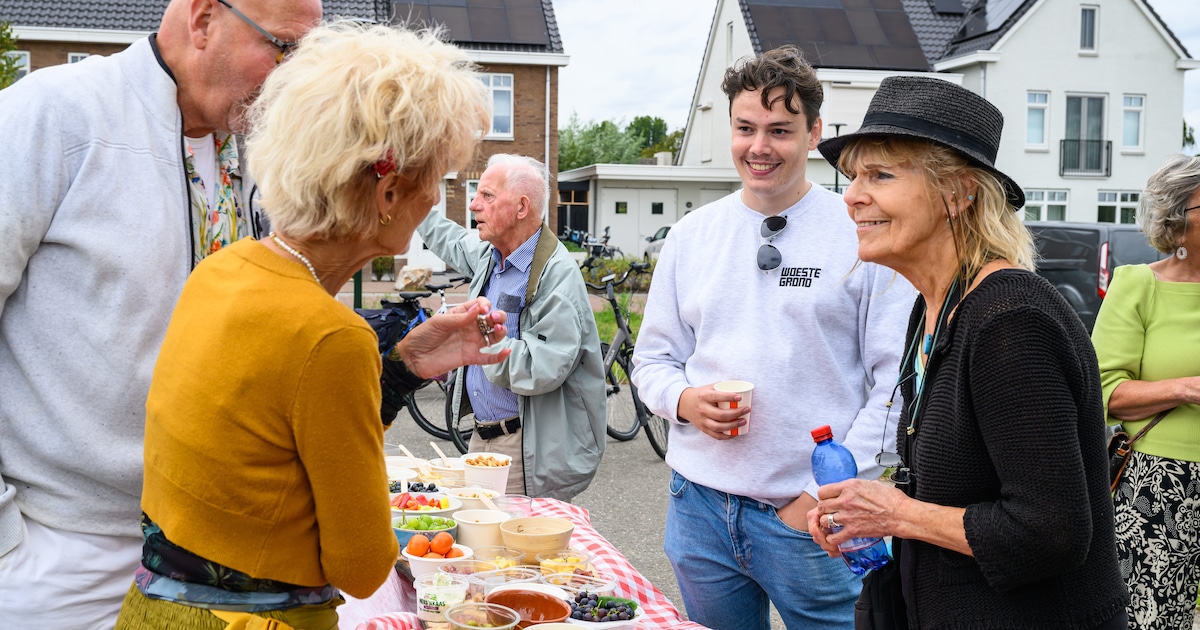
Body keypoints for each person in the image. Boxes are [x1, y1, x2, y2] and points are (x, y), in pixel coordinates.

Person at [114, 20, 498, 629]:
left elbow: (266, 451)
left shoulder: (223, 269)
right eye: (440, 181)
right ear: (390, 192)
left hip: (152, 612)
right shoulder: (330, 336)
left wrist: (397, 371)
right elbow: (362, 565)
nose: (439, 201)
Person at [0, 0, 321, 626]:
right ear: (202, 20)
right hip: (59, 552)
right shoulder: (52, 115)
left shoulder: (256, 154)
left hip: (202, 554)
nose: (294, 77)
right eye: (282, 48)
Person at [807, 75, 1128, 629]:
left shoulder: (1011, 322)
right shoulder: (933, 307)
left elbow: (1051, 533)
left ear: (958, 193)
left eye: (880, 175)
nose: (853, 196)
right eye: (853, 177)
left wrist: (900, 515)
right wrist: (871, 507)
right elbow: (962, 477)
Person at [629, 46, 914, 629]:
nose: (759, 147)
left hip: (814, 518)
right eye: (745, 128)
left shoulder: (861, 233)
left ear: (813, 135)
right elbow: (653, 359)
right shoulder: (691, 236)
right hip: (699, 507)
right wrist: (683, 402)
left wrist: (817, 496)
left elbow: (895, 386)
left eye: (780, 130)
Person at [417, 154, 606, 500]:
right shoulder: (493, 254)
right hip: (483, 438)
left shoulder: (556, 275)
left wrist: (483, 337)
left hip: (522, 449)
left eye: (487, 196)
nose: (474, 204)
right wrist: (413, 203)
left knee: (506, 550)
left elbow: (545, 366)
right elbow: (452, 240)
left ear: (521, 207)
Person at [1092, 154, 1200, 630]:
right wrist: (1187, 389)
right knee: (1153, 620)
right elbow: (1102, 392)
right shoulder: (1139, 286)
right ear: (1176, 223)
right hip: (1160, 488)